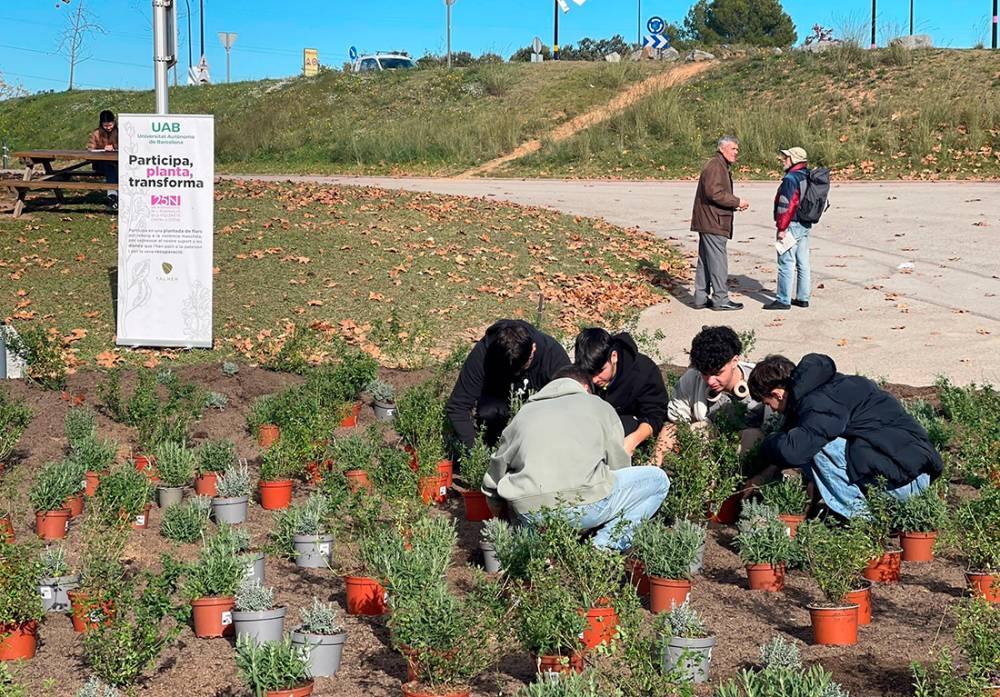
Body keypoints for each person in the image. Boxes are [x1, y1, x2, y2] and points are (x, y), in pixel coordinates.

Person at [482, 365, 670, 551]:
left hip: (531, 511)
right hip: (586, 506)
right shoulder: (598, 406)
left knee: (529, 510)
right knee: (659, 481)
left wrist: (504, 526)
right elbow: (619, 467)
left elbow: (492, 482)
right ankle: (602, 547)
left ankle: (535, 552)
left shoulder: (524, 413)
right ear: (586, 388)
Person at [746, 353, 943, 519]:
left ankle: (860, 521)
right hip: (915, 475)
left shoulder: (818, 402)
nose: (771, 410)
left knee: (816, 448)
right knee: (809, 440)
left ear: (778, 394)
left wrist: (767, 443)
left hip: (901, 486)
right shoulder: (835, 385)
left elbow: (794, 451)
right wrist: (766, 471)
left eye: (766, 403)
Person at [446, 319, 570, 450]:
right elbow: (457, 406)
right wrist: (476, 453)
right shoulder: (485, 352)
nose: (517, 374)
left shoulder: (552, 355)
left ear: (533, 348)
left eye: (523, 368)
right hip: (497, 408)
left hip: (539, 417)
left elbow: (571, 404)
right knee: (489, 412)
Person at [573, 327, 668, 456]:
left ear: (614, 356)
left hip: (629, 426)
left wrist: (632, 441)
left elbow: (655, 415)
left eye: (600, 371)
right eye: (590, 373)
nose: (594, 379)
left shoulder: (644, 371)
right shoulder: (582, 373)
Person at [690, 135, 750, 312]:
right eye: (733, 149)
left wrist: (732, 204)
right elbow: (714, 193)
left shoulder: (717, 164)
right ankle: (720, 299)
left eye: (737, 149)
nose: (736, 153)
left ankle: (701, 297)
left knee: (706, 261)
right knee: (717, 261)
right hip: (713, 221)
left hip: (709, 219)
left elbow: (714, 194)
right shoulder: (716, 165)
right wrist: (736, 201)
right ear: (722, 148)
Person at [764, 147, 813, 311]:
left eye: (786, 157)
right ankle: (803, 298)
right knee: (803, 262)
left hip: (791, 224)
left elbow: (787, 205)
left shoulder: (791, 179)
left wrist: (781, 228)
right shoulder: (808, 174)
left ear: (794, 160)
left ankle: (783, 300)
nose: (783, 160)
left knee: (786, 261)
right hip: (805, 223)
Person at [86, 109, 118, 210]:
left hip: (118, 162)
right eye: (105, 125)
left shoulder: (121, 131)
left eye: (110, 124)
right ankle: (112, 196)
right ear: (101, 124)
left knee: (116, 168)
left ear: (114, 122)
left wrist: (115, 148)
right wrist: (102, 149)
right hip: (101, 163)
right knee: (110, 167)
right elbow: (90, 149)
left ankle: (114, 196)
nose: (108, 127)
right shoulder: (96, 134)